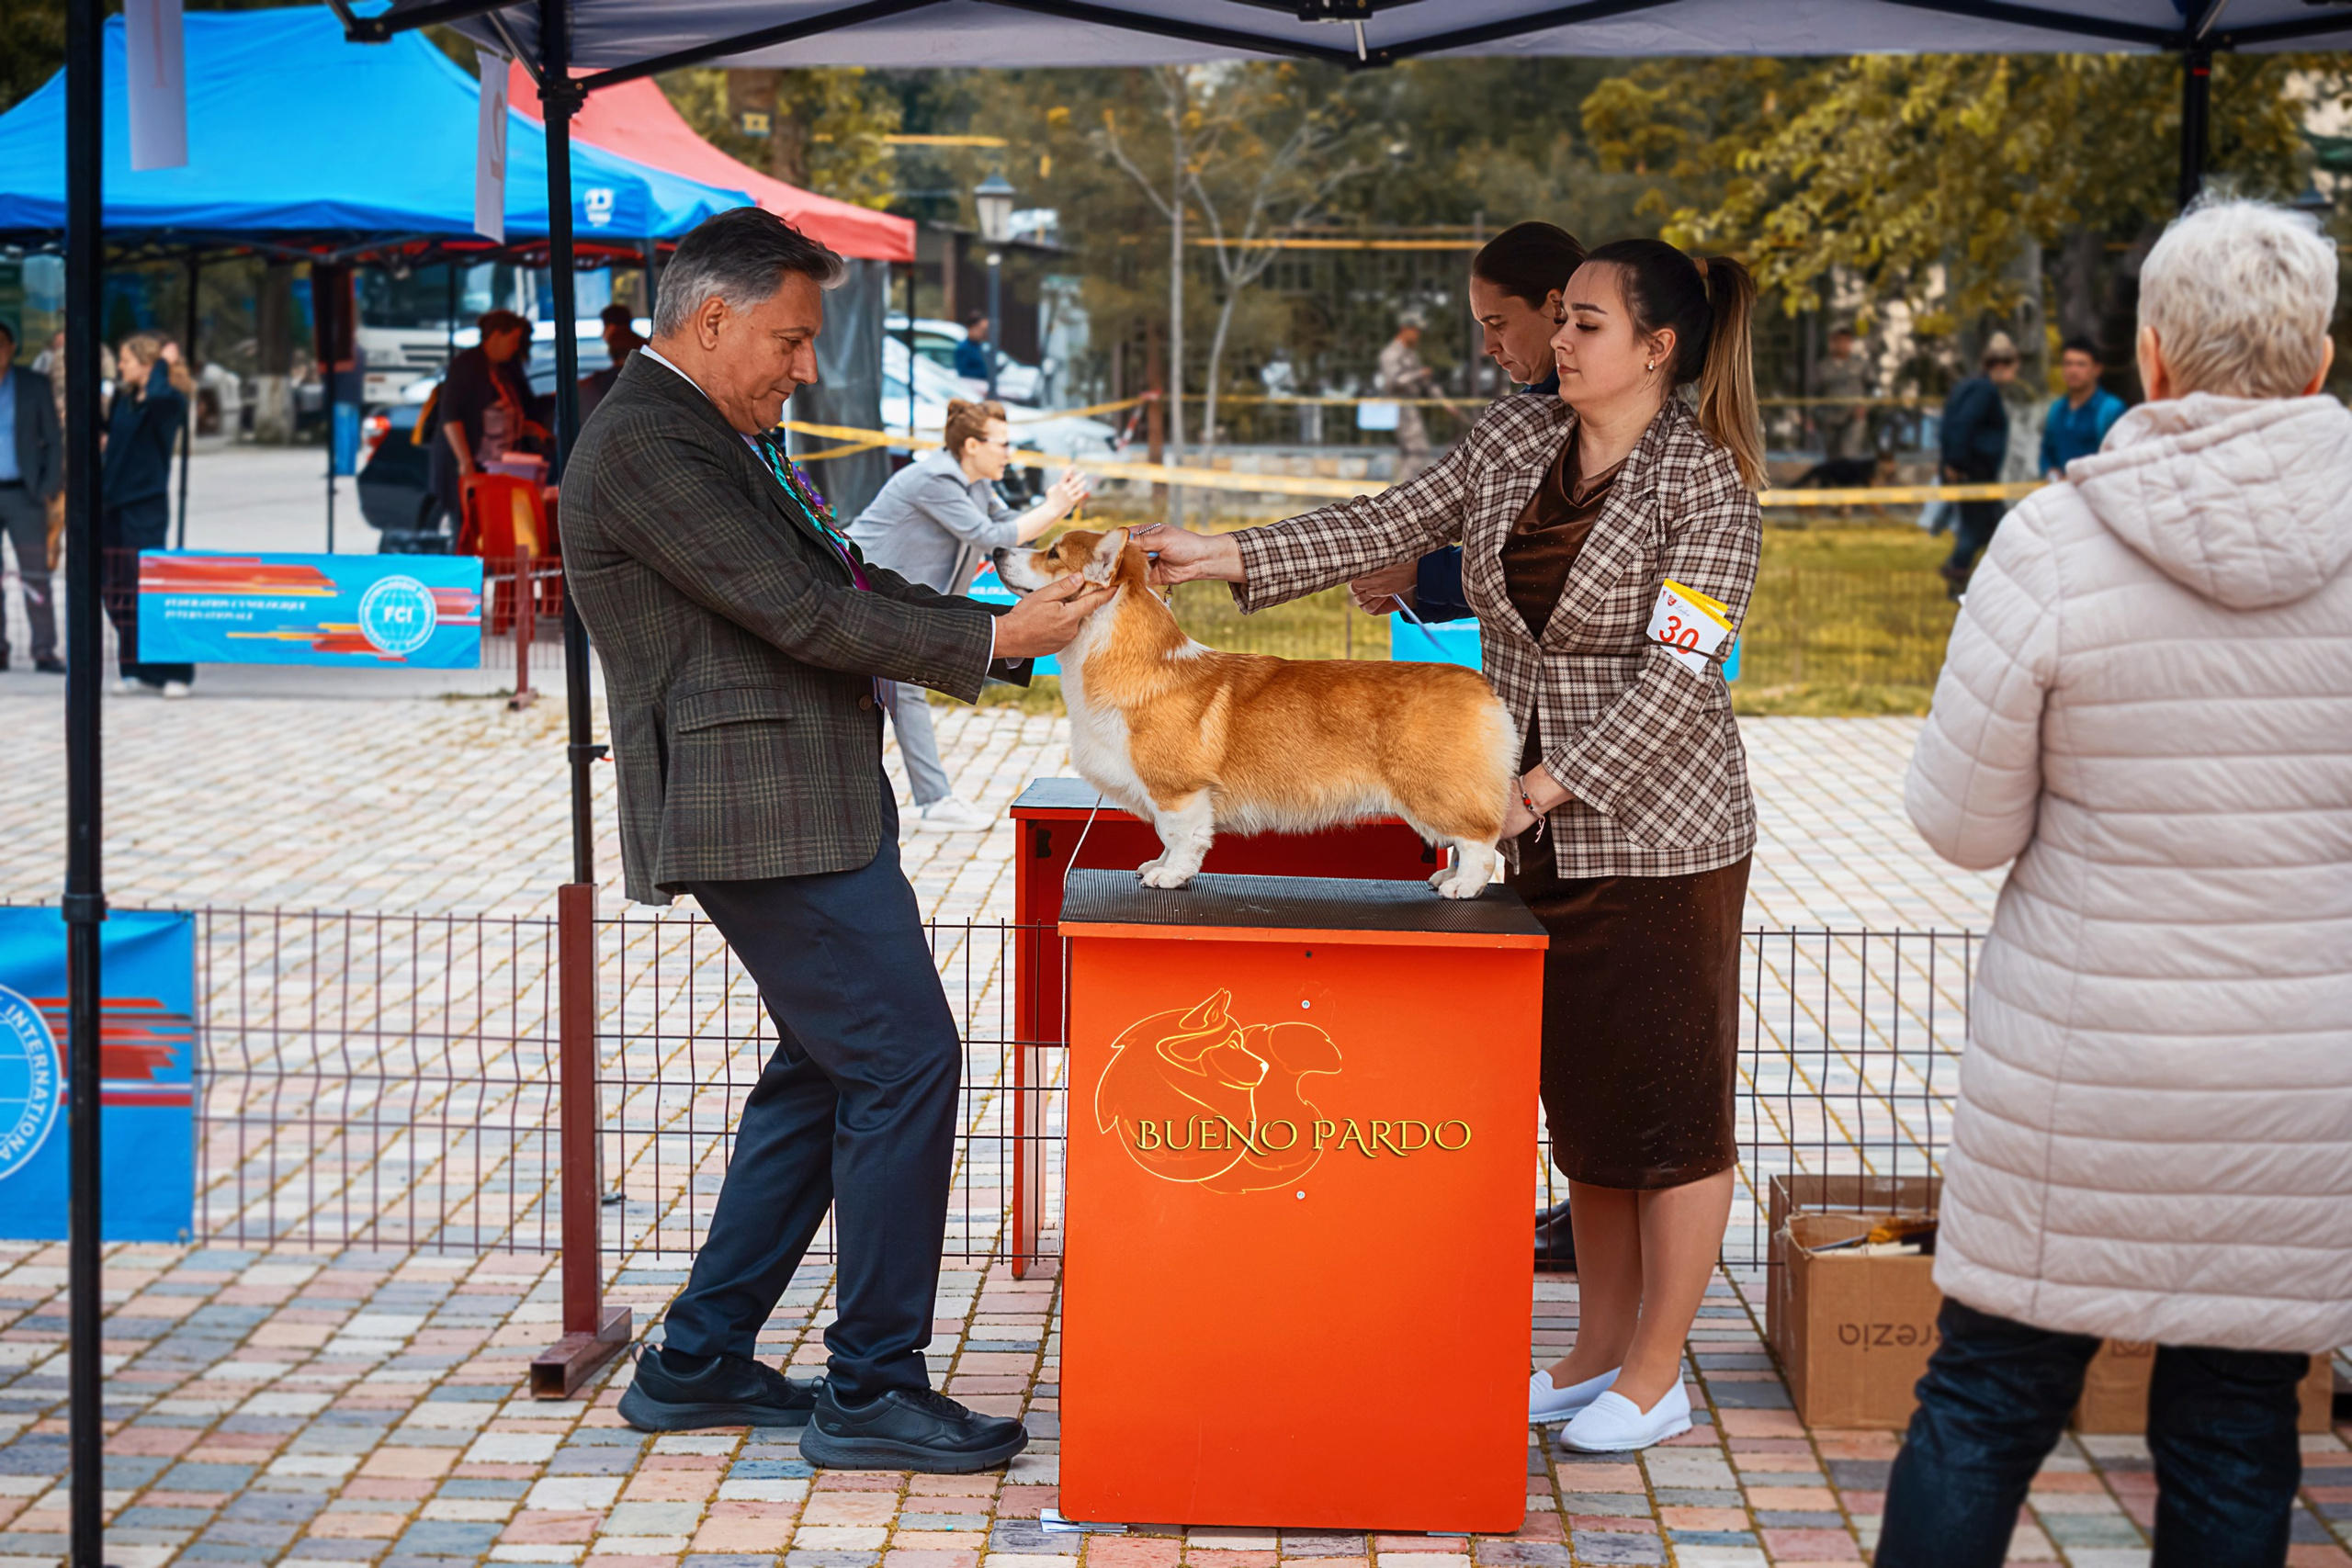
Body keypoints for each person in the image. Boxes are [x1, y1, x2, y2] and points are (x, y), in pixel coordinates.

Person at [1146, 236, 1764, 1454]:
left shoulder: (1709, 482)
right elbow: (1389, 519)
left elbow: (1680, 679)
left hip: (1659, 835)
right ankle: (1592, 1353)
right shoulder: (1513, 440)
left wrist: (1535, 788)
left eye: (1588, 323)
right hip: (1523, 814)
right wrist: (1216, 553)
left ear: (1658, 347)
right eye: (1564, 319)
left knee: (1672, 1112)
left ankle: (1657, 1369)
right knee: (1585, 1106)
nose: (1561, 340)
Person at [561, 207, 1106, 1470]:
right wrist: (992, 641)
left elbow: (847, 580)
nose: (806, 368)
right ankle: (871, 1385)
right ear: (712, 319)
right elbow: (802, 613)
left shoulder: (715, 431)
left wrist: (1004, 618)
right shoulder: (649, 445)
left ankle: (698, 1354)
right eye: (791, 341)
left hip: (797, 803)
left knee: (828, 1071)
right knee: (907, 1059)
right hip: (761, 814)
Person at [1881, 196, 2352, 1568]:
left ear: (2149, 357)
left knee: (1982, 1402)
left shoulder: (2051, 544)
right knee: (2237, 1422)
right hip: (2297, 1081)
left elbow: (1960, 823)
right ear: (2318, 361)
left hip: (2082, 1071)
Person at [847, 398, 1090, 832]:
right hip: (861, 593)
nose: (1009, 452)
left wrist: (1054, 507)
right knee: (900, 691)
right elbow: (990, 537)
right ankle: (933, 799)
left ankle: (918, 799)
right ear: (973, 445)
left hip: (907, 602)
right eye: (1003, 443)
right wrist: (1054, 506)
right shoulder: (933, 480)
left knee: (895, 691)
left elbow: (1010, 528)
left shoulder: (974, 482)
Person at [1348, 220, 1587, 632]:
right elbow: (1417, 515)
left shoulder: (1606, 417)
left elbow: (1569, 565)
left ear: (1555, 305)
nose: (1488, 346)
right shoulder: (1527, 413)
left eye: (1498, 323)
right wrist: (1419, 583)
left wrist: (1425, 576)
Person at [100, 334, 194, 696]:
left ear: (146, 364)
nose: (121, 367)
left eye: (126, 360)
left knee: (149, 586)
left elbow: (157, 397)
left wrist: (164, 365)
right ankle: (134, 667)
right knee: (115, 588)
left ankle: (175, 671)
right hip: (112, 503)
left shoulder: (168, 401)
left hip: (145, 505)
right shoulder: (124, 400)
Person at [429, 309, 541, 535]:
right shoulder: (467, 365)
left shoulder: (501, 368)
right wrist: (466, 462)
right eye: (513, 340)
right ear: (497, 335)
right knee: (470, 529)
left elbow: (506, 414)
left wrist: (531, 428)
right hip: (470, 467)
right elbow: (450, 416)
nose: (515, 348)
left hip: (495, 468)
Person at [0, 322, 64, 674]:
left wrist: (50, 485)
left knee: (35, 573)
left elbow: (54, 440)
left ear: (12, 348)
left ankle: (44, 648)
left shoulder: (32, 385)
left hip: (23, 493)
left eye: (0, 344)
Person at [1937, 331, 2021, 595]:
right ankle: (1957, 573)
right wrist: (1957, 464)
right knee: (1979, 530)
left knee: (1991, 528)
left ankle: (1983, 579)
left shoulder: (1966, 386)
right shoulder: (1984, 391)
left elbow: (1949, 426)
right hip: (1975, 472)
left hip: (1968, 470)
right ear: (2005, 365)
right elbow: (1963, 426)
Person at [2037, 333, 2127, 478]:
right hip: (2062, 494)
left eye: (2081, 364)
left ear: (2097, 369)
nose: (2073, 370)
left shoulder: (2111, 409)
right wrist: (2050, 471)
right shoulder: (2056, 410)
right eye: (2068, 363)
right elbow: (2047, 452)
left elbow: (2120, 458)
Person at [1376, 310, 1437, 481]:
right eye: (1416, 330)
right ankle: (1401, 493)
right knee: (1417, 451)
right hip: (1398, 408)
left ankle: (1401, 492)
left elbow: (1424, 384)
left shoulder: (1411, 354)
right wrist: (1419, 374)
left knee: (1413, 453)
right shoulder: (1391, 354)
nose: (1418, 335)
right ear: (1405, 329)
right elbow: (1393, 381)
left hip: (1410, 406)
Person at [1809, 323, 1872, 460]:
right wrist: (1811, 415)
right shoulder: (1822, 367)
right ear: (1831, 343)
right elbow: (1813, 393)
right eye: (1837, 341)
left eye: (1846, 341)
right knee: (1833, 459)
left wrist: (1865, 406)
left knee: (1849, 457)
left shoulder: (1860, 366)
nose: (1841, 345)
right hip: (1830, 419)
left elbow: (1874, 389)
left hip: (1853, 418)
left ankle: (1849, 481)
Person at [579, 303, 644, 424]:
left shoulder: (595, 385)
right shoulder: (643, 346)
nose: (602, 334)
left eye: (604, 327)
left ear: (612, 327)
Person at [954, 312, 994, 385]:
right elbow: (963, 373)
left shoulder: (982, 346)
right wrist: (986, 372)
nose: (984, 333)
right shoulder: (963, 348)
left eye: (986, 330)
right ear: (972, 328)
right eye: (982, 329)